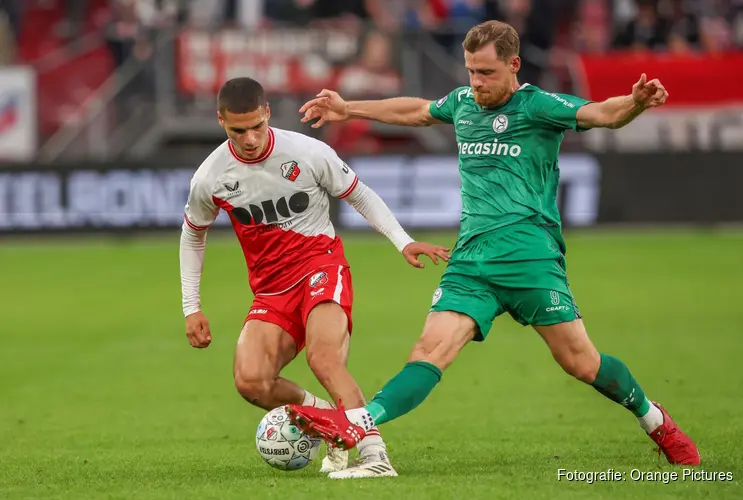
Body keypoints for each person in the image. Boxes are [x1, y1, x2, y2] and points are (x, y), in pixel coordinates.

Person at [285, 20, 700, 477]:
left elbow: (603, 113)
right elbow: (419, 111)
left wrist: (636, 102)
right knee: (428, 351)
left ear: (513, 65)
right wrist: (349, 109)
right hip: (471, 260)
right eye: (470, 72)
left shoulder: (539, 105)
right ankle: (359, 426)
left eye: (485, 72)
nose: (476, 83)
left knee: (581, 362)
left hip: (529, 257)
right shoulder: (463, 103)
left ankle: (655, 421)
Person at [179, 77, 450, 479]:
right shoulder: (211, 177)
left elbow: (359, 193)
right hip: (271, 290)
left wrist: (402, 241)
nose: (251, 138)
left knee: (322, 356)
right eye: (239, 130)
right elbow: (193, 234)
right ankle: (328, 419)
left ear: (267, 113)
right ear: (221, 121)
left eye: (257, 125)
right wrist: (191, 307)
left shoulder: (306, 152)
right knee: (251, 380)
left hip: (320, 267)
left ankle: (374, 456)